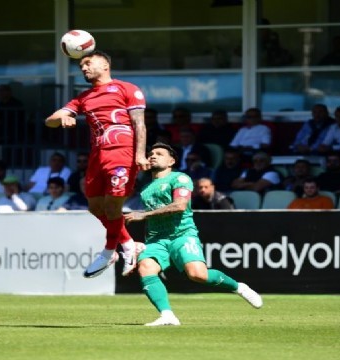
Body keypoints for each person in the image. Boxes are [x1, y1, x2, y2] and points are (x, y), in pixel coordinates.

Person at [123, 143, 262, 326]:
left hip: (182, 234)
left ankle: (239, 287)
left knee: (198, 275)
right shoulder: (146, 189)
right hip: (156, 239)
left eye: (159, 153)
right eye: (150, 154)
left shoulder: (180, 178)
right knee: (146, 268)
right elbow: (151, 218)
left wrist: (143, 214)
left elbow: (180, 205)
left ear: (171, 160)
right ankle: (167, 315)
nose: (153, 156)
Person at [45, 50, 150, 278]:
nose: (83, 68)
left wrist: (140, 155)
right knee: (94, 206)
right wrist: (62, 118)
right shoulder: (83, 97)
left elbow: (139, 124)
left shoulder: (127, 89)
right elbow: (49, 120)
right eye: (81, 65)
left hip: (122, 153)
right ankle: (128, 243)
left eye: (88, 63)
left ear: (105, 65)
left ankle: (111, 250)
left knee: (112, 205)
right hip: (97, 155)